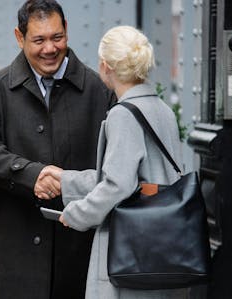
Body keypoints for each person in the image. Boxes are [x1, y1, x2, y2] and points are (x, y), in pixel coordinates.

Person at [0, 0, 114, 298]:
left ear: (67, 31)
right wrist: (32, 175)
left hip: (79, 250)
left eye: (56, 37)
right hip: (15, 247)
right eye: (39, 40)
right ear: (19, 38)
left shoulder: (98, 90)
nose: (50, 48)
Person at [40, 26, 190, 298]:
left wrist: (76, 214)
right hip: (163, 246)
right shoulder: (162, 110)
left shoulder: (123, 114)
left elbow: (117, 184)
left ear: (105, 66)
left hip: (130, 252)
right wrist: (66, 180)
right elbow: (143, 177)